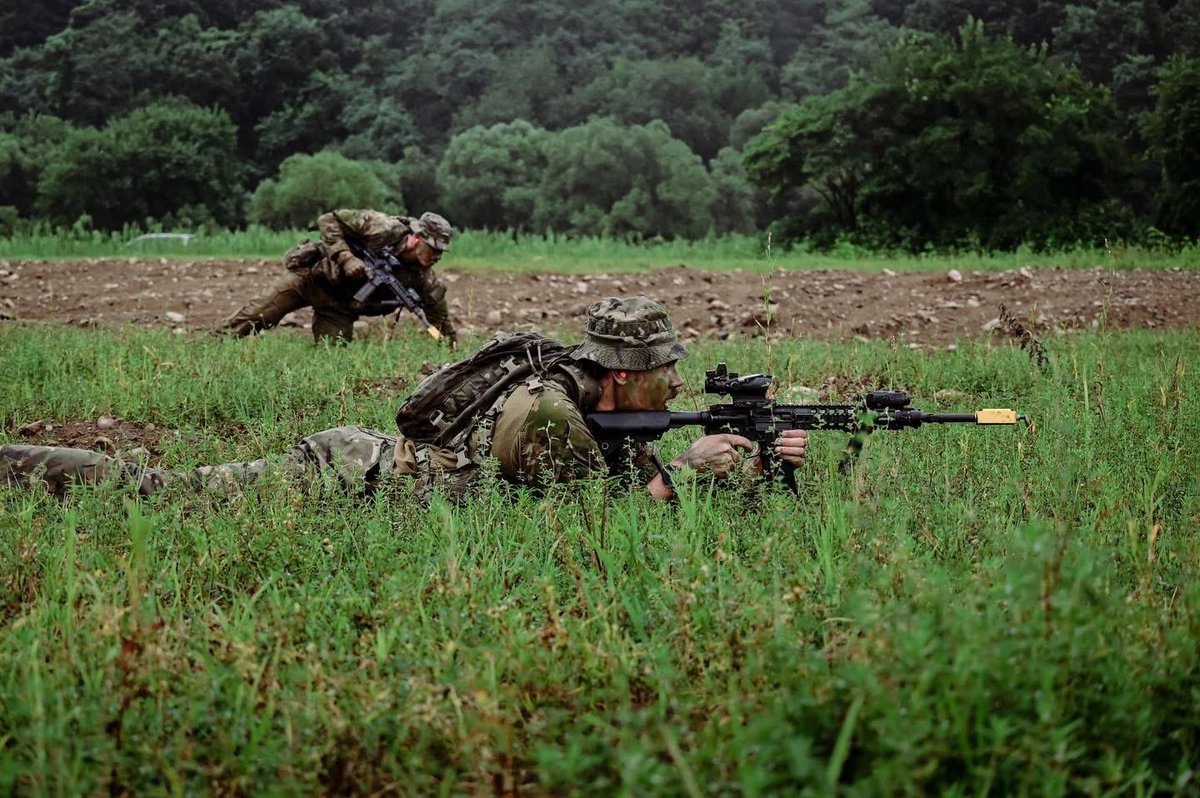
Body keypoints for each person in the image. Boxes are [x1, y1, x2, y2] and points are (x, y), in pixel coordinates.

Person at [2, 297, 808, 501]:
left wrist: (755, 457)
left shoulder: (586, 388)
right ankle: (16, 465)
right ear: (629, 373)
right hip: (350, 479)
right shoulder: (553, 411)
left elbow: (621, 466)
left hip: (375, 469)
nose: (677, 379)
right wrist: (694, 472)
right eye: (666, 367)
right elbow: (602, 516)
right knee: (161, 493)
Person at [219, 209, 457, 344]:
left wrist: (449, 343)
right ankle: (215, 343)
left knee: (331, 354)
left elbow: (437, 311)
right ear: (416, 239)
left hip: (339, 306)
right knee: (256, 316)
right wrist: (346, 258)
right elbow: (327, 220)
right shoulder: (382, 227)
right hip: (312, 280)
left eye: (440, 252)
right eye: (433, 248)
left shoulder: (422, 275)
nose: (437, 256)